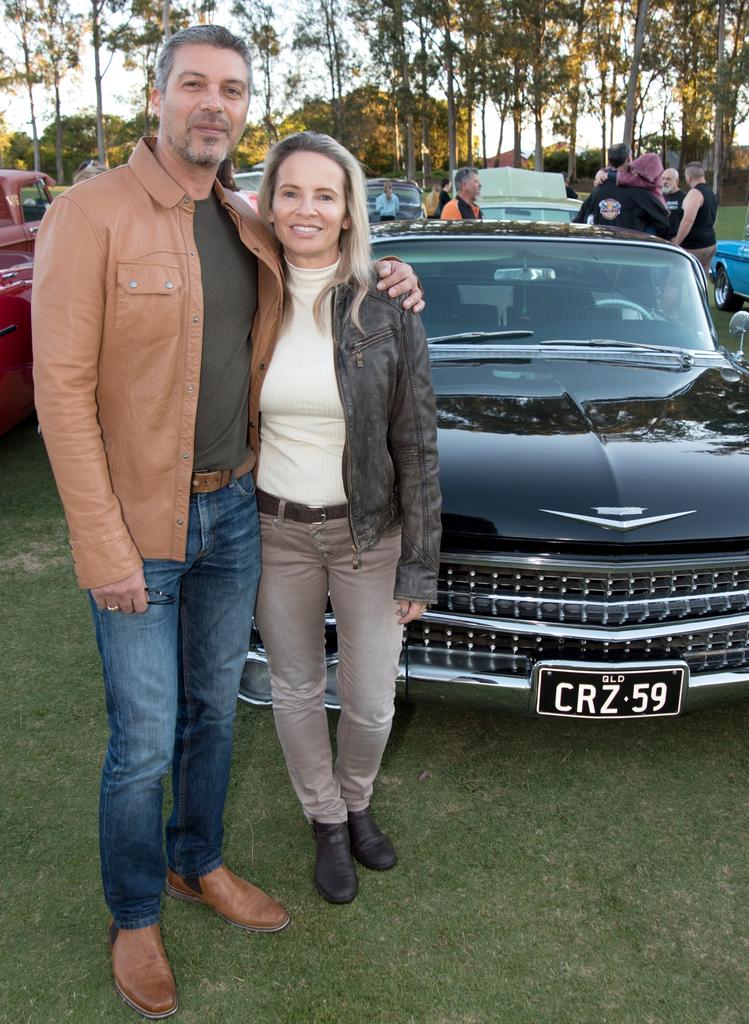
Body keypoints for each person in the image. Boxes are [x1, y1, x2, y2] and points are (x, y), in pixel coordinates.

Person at [32, 25, 423, 1021]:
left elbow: (317, 282)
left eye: (234, 90)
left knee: (214, 712)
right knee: (144, 735)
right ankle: (133, 910)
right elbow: (62, 390)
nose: (215, 103)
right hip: (138, 527)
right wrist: (102, 542)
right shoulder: (90, 213)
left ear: (246, 109)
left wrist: (396, 276)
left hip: (236, 513)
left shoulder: (244, 219)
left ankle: (195, 861)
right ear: (156, 96)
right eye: (195, 85)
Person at [254, 131, 441, 905]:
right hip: (275, 533)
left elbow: (417, 442)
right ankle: (326, 821)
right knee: (295, 689)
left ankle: (357, 800)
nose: (306, 208)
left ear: (347, 209)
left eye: (324, 194)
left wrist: (419, 562)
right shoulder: (246, 296)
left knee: (369, 698)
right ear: (267, 204)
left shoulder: (388, 307)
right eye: (290, 192)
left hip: (369, 533)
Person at [575, 151, 671, 237]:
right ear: (628, 159)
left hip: (602, 247)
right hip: (632, 249)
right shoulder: (641, 192)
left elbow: (581, 217)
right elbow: (663, 224)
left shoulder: (599, 188)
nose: (634, 172)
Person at [672, 161, 719, 273]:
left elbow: (688, 221)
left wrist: (676, 243)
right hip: (710, 244)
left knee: (675, 281)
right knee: (700, 282)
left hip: (694, 247)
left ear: (689, 177)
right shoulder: (711, 193)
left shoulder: (695, 193)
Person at [661, 166, 686, 235]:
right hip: (660, 238)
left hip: (675, 240)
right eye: (663, 179)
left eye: (668, 179)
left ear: (676, 180)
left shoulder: (685, 198)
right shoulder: (659, 196)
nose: (665, 182)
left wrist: (679, 237)